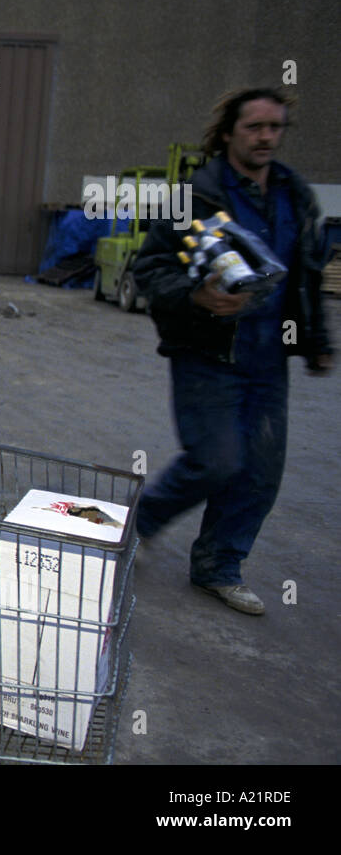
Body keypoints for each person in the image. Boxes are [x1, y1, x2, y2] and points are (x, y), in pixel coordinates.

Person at [132, 87, 331, 615]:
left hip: (269, 359)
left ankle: (219, 566)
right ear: (228, 134)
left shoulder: (296, 195)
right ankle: (141, 522)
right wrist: (196, 296)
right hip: (208, 352)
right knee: (215, 460)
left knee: (259, 472)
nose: (266, 137)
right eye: (254, 127)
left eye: (275, 127)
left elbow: (307, 276)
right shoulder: (194, 195)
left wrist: (317, 340)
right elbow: (148, 270)